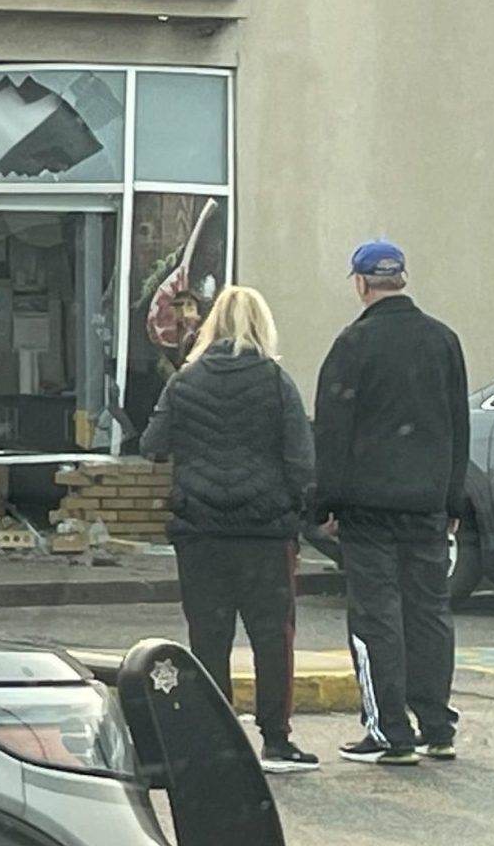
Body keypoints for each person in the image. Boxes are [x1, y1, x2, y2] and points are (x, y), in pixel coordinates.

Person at [142, 285, 319, 774]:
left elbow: (153, 442)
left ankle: (217, 741)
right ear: (261, 326)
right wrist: (299, 506)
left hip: (199, 532)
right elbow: (301, 459)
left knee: (209, 634)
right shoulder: (276, 381)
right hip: (265, 533)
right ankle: (277, 740)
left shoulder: (185, 381)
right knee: (272, 634)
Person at [313, 240, 469, 768]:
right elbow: (458, 426)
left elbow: (334, 430)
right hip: (427, 504)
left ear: (360, 283)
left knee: (376, 616)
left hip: (368, 507)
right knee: (429, 612)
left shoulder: (353, 344)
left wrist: (325, 502)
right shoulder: (443, 340)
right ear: (401, 278)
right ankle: (437, 725)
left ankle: (390, 732)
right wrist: (452, 499)